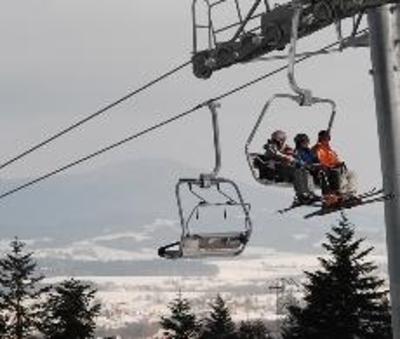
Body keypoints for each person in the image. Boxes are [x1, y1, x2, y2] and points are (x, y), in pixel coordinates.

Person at [312, 130, 357, 206]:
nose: (327, 140)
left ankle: (350, 193)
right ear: (320, 138)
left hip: (334, 168)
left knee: (351, 173)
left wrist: (340, 163)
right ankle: (340, 195)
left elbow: (336, 160)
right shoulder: (317, 149)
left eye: (328, 138)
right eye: (325, 138)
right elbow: (319, 161)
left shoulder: (331, 151)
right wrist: (332, 166)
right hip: (328, 171)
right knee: (337, 173)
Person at [292, 133, 320, 203]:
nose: (307, 143)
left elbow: (315, 158)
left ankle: (311, 193)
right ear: (300, 143)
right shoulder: (297, 151)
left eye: (307, 141)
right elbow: (298, 160)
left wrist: (318, 161)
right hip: (303, 170)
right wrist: (306, 165)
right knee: (303, 172)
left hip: (312, 169)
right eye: (304, 141)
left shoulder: (308, 151)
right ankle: (303, 194)